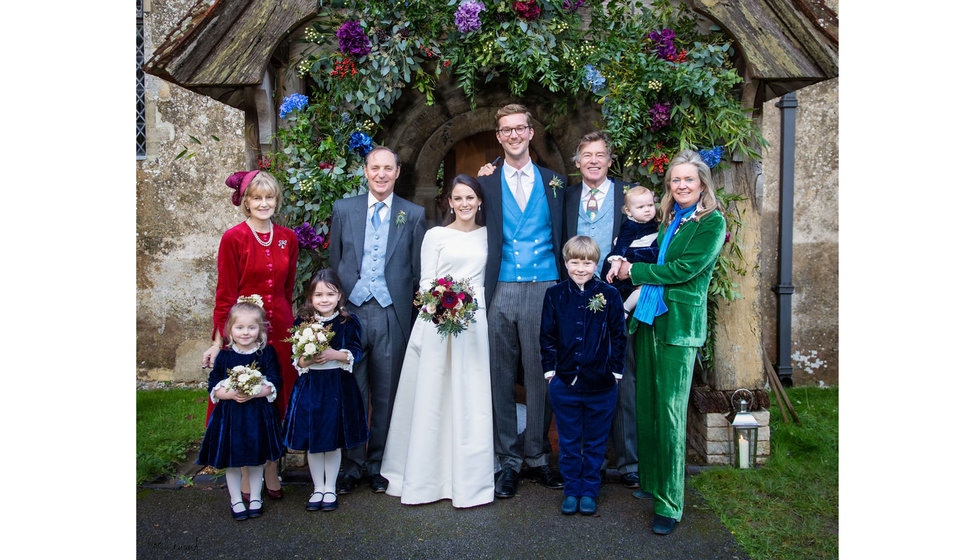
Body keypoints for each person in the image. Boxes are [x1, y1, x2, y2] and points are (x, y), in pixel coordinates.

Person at [615, 149, 726, 536]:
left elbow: (685, 269)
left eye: (688, 180)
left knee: (672, 412)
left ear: (702, 184)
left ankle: (670, 503)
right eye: (675, 180)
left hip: (679, 324)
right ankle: (653, 483)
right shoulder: (670, 218)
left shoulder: (711, 223)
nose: (681, 185)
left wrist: (635, 270)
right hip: (650, 318)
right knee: (647, 404)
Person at [380, 174, 495, 508]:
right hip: (437, 319)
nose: (464, 204)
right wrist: (443, 302)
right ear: (449, 202)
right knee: (432, 395)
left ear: (480, 202)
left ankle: (470, 479)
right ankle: (424, 477)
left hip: (473, 323)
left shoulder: (490, 236)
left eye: (470, 198)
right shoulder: (436, 235)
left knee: (469, 396)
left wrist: (465, 305)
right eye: (457, 198)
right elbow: (426, 280)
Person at [477, 103, 566, 499]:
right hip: (500, 286)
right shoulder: (486, 183)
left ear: (531, 132)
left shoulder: (555, 182)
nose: (513, 135)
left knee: (540, 375)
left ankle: (537, 456)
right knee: (499, 376)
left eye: (520, 129)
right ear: (499, 137)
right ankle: (507, 461)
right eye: (506, 130)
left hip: (545, 285)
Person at [328, 146, 427, 494]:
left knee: (387, 394)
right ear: (365, 172)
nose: (381, 174)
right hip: (351, 313)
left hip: (391, 313)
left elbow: (417, 271)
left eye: (388, 168)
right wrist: (338, 308)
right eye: (375, 168)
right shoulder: (344, 209)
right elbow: (335, 259)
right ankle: (352, 466)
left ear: (398, 172)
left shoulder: (413, 214)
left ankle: (379, 464)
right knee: (353, 392)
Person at [202, 169, 297, 500]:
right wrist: (218, 343)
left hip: (281, 331)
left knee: (276, 395)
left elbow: (287, 288)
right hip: (244, 334)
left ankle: (271, 467)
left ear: (276, 200)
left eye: (269, 197)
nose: (264, 203)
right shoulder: (234, 238)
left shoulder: (288, 238)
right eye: (257, 197)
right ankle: (245, 470)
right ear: (245, 202)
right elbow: (225, 293)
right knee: (245, 399)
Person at [562, 131, 642, 489]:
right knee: (573, 372)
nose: (593, 161)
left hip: (615, 296)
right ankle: (577, 462)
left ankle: (627, 462)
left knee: (621, 376)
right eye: (586, 155)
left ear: (610, 161)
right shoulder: (565, 196)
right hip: (574, 295)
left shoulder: (628, 196)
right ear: (577, 163)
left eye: (600, 155)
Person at [540, 236, 626, 516]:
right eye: (574, 262)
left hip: (601, 384)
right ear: (565, 263)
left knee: (595, 440)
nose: (580, 268)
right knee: (568, 439)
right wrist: (551, 372)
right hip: (564, 383)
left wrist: (614, 372)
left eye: (587, 263)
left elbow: (618, 335)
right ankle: (571, 488)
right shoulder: (554, 295)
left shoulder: (609, 295)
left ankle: (589, 489)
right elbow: (547, 336)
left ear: (596, 264)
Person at [282, 269, 369, 512]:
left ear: (339, 295)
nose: (324, 299)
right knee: (314, 440)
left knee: (332, 440)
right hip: (311, 386)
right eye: (318, 294)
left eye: (330, 294)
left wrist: (335, 354)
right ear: (310, 298)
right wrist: (307, 359)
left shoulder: (347, 322)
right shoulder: (302, 322)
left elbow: (356, 351)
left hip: (337, 386)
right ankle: (317, 486)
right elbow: (296, 358)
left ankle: (330, 486)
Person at [197, 299, 284, 521]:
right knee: (233, 461)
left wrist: (255, 391)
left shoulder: (266, 353)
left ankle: (255, 497)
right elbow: (214, 383)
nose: (245, 333)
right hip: (231, 417)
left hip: (257, 416)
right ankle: (236, 499)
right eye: (239, 327)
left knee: (256, 459)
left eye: (252, 328)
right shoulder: (224, 356)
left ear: (261, 329)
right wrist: (229, 393)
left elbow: (275, 379)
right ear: (229, 330)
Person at [604, 185, 660, 313]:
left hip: (645, 263)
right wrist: (615, 265)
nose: (647, 210)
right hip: (631, 261)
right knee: (643, 288)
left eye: (650, 205)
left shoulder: (653, 221)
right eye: (641, 207)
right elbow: (621, 246)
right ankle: (625, 309)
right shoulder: (630, 226)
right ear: (628, 211)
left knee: (647, 287)